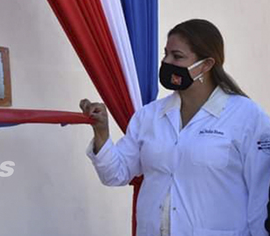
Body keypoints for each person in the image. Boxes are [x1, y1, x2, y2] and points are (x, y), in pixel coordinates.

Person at [80, 19, 270, 236]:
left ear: (206, 65)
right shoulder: (149, 116)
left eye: (177, 56)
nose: (166, 61)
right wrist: (102, 133)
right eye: (166, 54)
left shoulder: (246, 116)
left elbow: (261, 196)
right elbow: (115, 174)